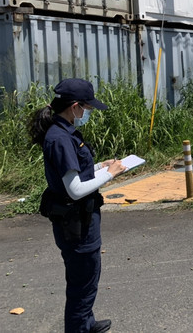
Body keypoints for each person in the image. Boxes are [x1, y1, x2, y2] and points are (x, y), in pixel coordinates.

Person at [28, 78, 126, 333]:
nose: (87, 113)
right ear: (74, 107)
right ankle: (79, 328)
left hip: (79, 220)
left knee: (85, 279)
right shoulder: (60, 138)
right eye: (87, 108)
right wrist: (111, 174)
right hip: (76, 224)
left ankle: (87, 323)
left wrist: (98, 166)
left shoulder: (63, 131)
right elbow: (74, 189)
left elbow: (73, 174)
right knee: (82, 283)